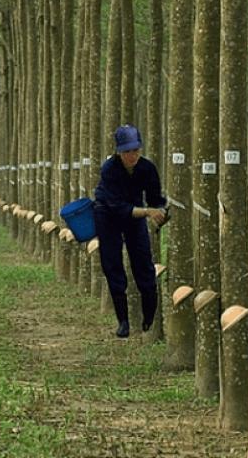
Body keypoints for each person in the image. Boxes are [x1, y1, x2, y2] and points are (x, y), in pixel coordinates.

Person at [93, 124, 167, 338]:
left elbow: (155, 199)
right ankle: (123, 321)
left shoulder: (147, 168)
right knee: (112, 263)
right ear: (118, 151)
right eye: (127, 151)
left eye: (135, 150)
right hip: (108, 214)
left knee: (143, 260)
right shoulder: (109, 169)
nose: (132, 155)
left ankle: (149, 316)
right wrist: (147, 212)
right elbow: (117, 207)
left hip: (135, 215)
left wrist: (161, 211)